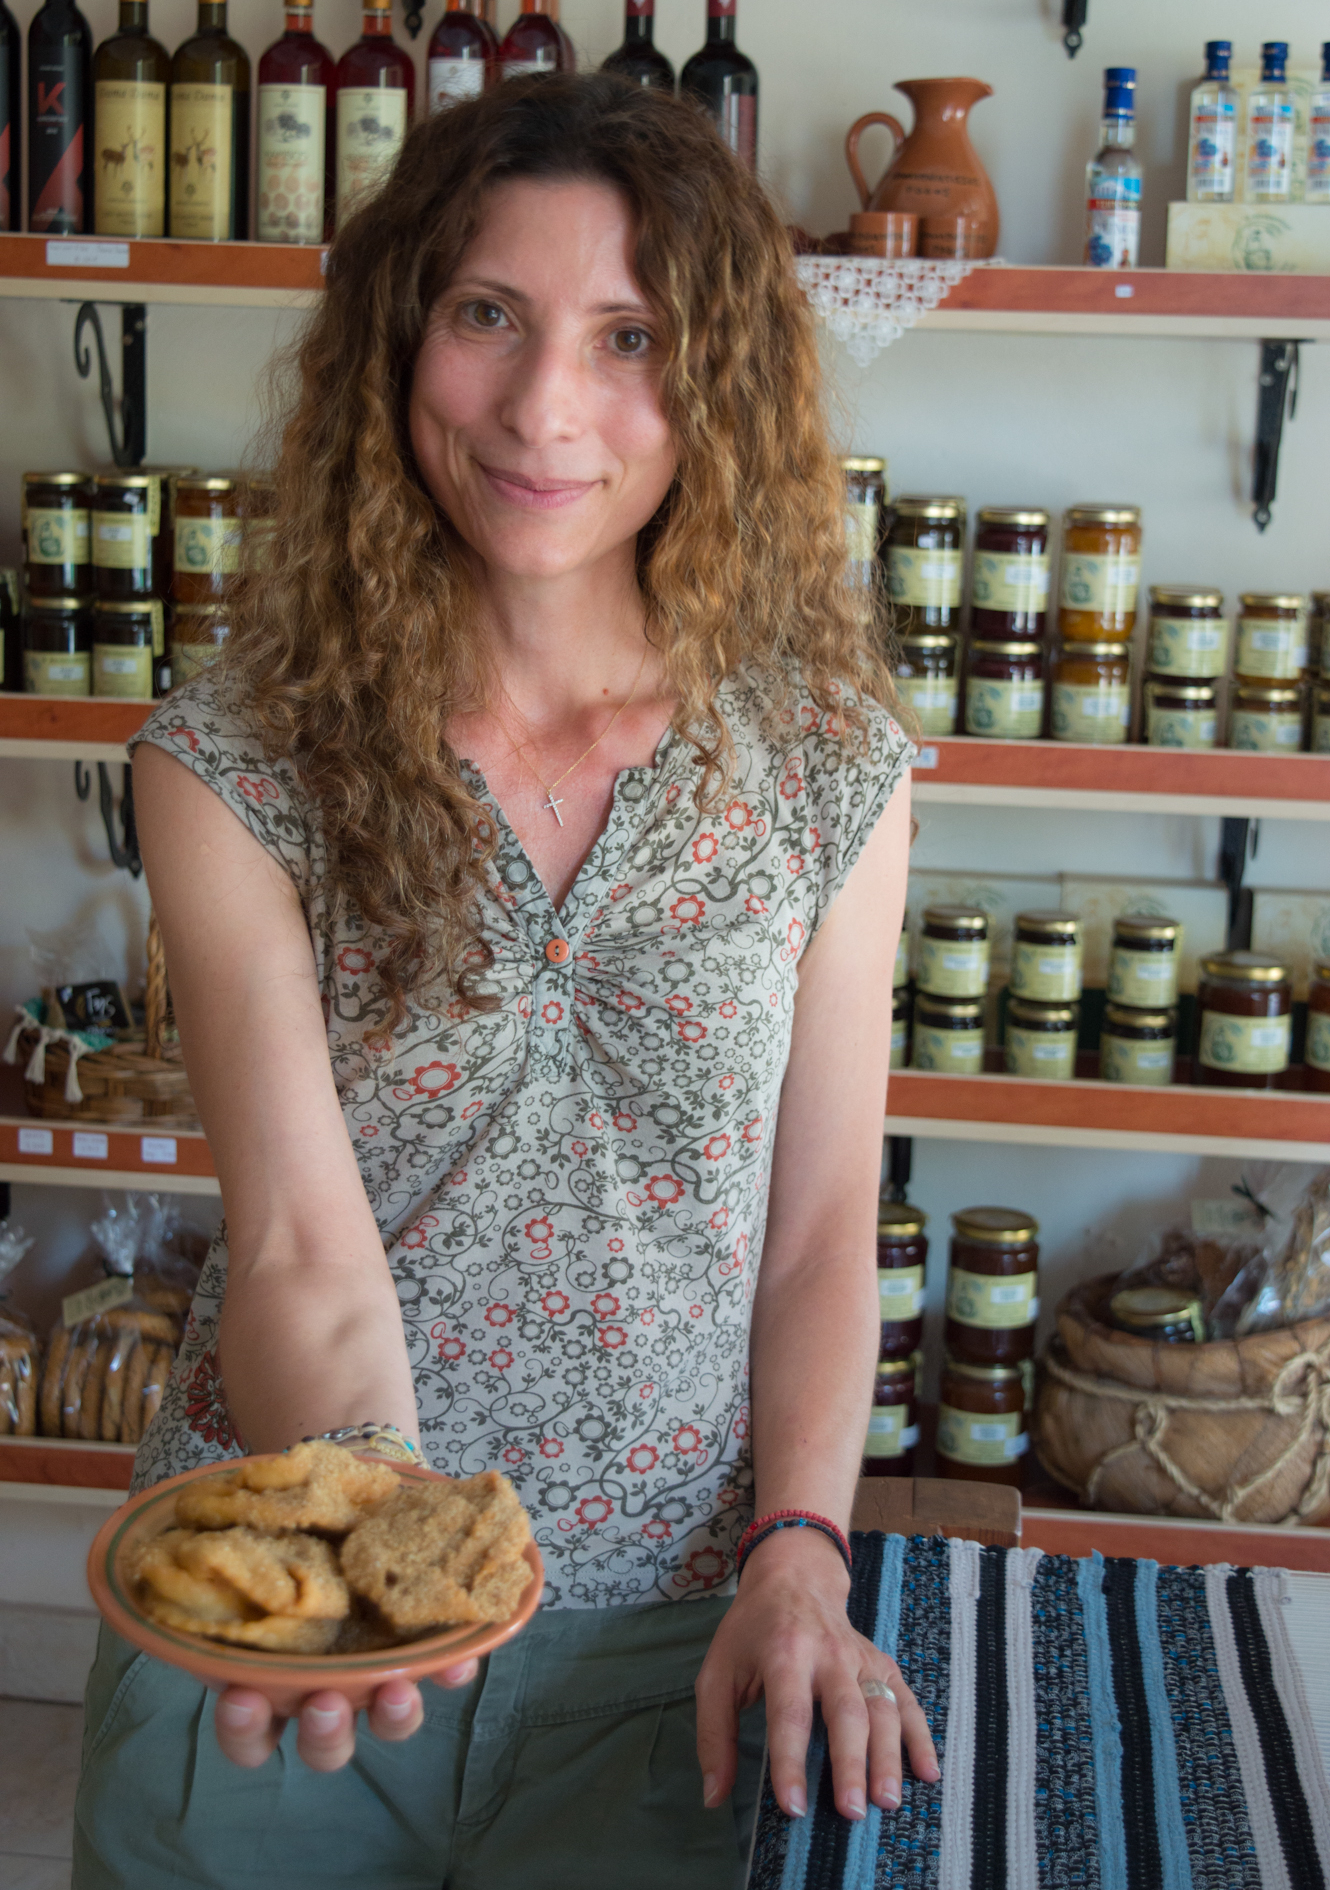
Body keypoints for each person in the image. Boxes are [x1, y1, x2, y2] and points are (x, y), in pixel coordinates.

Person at [73, 72, 935, 1890]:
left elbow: (816, 1232)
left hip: (674, 1647)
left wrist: (798, 1550)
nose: (545, 407)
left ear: (719, 382)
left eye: (630, 337)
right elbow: (298, 1245)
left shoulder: (828, 766)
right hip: (297, 1612)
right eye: (486, 314)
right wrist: (383, 1555)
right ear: (400, 340)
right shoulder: (237, 760)